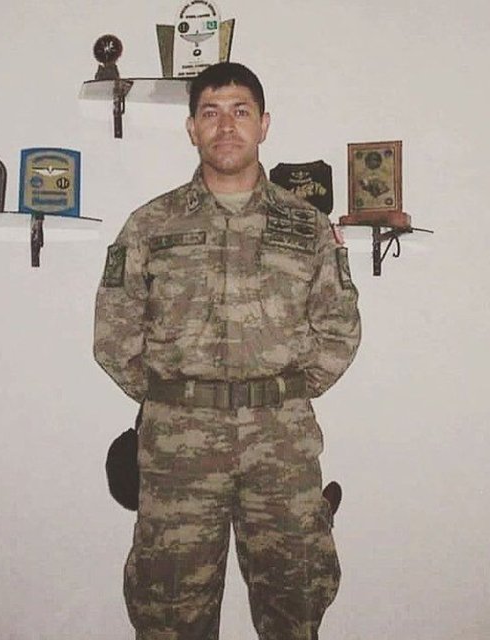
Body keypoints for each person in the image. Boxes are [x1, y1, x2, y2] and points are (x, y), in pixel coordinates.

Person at [93, 61, 361, 640]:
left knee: (296, 603)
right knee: (169, 611)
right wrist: (177, 397)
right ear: (192, 128)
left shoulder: (308, 227)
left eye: (241, 111)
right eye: (210, 113)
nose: (226, 126)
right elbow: (114, 335)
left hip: (280, 443)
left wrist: (279, 393)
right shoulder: (150, 225)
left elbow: (339, 330)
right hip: (179, 448)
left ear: (264, 124)